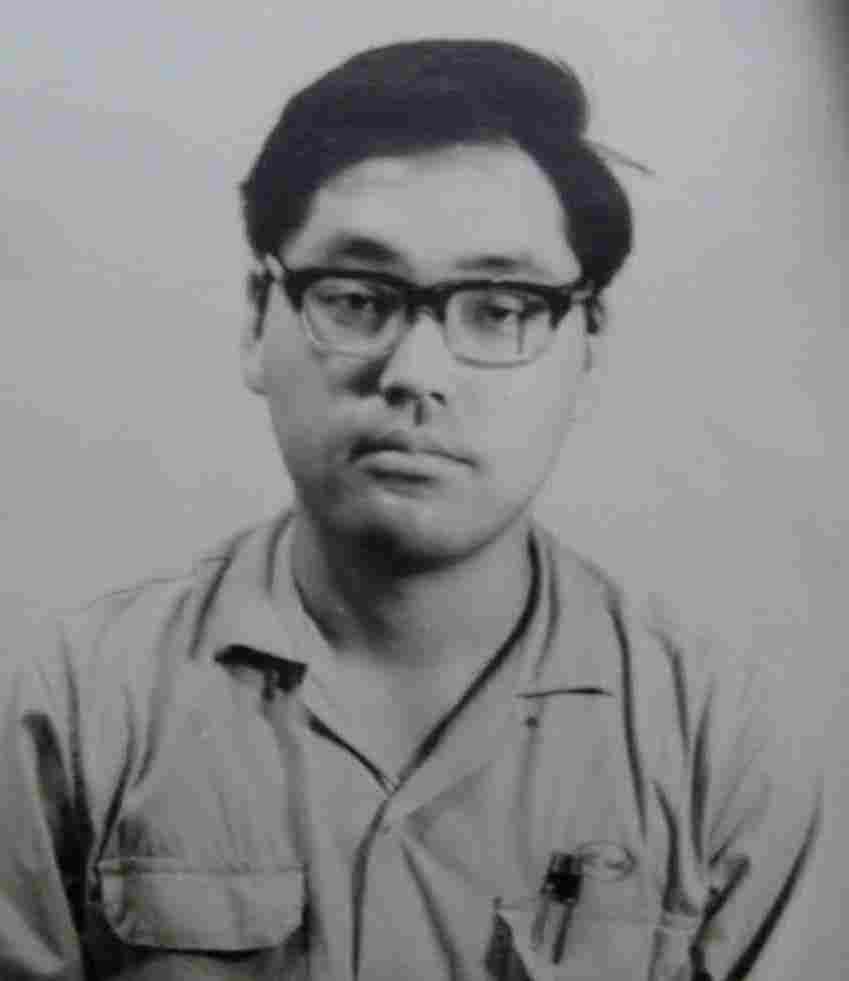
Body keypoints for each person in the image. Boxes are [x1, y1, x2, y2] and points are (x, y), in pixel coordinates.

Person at [0, 38, 820, 981]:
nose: (415, 373)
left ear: (588, 347)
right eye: (356, 298)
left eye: (500, 307)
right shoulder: (77, 708)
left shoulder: (721, 746)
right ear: (257, 318)